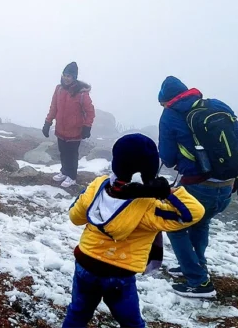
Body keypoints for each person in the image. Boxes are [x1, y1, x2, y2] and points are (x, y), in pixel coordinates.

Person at [64, 134, 205, 328]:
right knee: (131, 322)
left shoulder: (98, 187)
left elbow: (75, 217)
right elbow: (194, 213)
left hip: (86, 263)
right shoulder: (149, 207)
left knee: (77, 314)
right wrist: (168, 192)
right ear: (151, 170)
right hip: (120, 274)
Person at [157, 76, 238, 298]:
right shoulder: (217, 106)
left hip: (197, 186)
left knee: (174, 225)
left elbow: (168, 158)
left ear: (166, 100)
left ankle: (198, 281)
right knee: (201, 222)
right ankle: (196, 266)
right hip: (227, 185)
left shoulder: (170, 115)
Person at [43, 62, 95, 188]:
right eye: (65, 75)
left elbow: (90, 111)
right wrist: (48, 122)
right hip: (61, 128)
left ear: (74, 77)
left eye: (69, 76)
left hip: (75, 130)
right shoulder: (59, 89)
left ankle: (72, 176)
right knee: (63, 152)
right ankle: (64, 171)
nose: (66, 78)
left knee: (72, 154)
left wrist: (87, 127)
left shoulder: (82, 94)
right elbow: (54, 107)